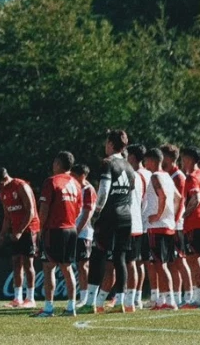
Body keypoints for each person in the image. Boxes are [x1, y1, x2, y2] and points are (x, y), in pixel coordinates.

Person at [85, 130, 137, 313]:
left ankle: (90, 302)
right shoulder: (130, 167)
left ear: (110, 144)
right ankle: (120, 303)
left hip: (110, 216)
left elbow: (104, 190)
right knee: (120, 258)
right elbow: (130, 193)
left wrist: (96, 213)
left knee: (98, 256)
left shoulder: (108, 163)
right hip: (126, 216)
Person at [34, 151, 82, 317]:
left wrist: (40, 228)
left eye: (54, 162)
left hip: (54, 229)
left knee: (48, 268)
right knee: (67, 267)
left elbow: (44, 208)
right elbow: (79, 209)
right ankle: (71, 307)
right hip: (71, 228)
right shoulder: (76, 184)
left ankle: (48, 308)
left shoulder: (51, 181)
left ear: (59, 164)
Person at [0, 167, 39, 310]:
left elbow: (30, 211)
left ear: (5, 178)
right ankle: (17, 298)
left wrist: (20, 231)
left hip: (29, 229)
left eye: (0, 183)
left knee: (28, 263)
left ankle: (30, 298)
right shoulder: (2, 192)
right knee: (16, 262)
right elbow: (7, 216)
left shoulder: (21, 186)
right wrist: (2, 234)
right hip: (15, 230)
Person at [142, 148, 181, 310]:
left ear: (151, 160)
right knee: (160, 264)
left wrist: (158, 215)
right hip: (168, 226)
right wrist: (172, 217)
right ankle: (162, 300)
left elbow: (163, 195)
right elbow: (179, 198)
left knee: (160, 265)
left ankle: (170, 299)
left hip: (157, 227)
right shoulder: (167, 176)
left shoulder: (156, 176)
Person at [180, 146, 200, 309]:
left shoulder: (192, 177)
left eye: (183, 158)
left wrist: (185, 214)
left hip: (195, 223)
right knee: (197, 259)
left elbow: (196, 198)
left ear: (190, 159)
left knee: (194, 259)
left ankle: (199, 299)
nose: (182, 161)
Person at [161, 144, 191, 307]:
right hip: (170, 223)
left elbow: (181, 202)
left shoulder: (178, 177)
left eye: (163, 156)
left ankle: (189, 296)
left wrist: (175, 221)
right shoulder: (167, 175)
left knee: (180, 261)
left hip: (177, 225)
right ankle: (177, 296)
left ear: (171, 159)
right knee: (172, 262)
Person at [126, 144, 151, 311]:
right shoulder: (149, 173)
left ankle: (132, 297)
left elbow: (138, 201)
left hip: (139, 223)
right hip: (146, 224)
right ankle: (136, 297)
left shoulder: (136, 175)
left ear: (133, 157)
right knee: (140, 263)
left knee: (132, 262)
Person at [71, 164, 96, 308]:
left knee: (83, 265)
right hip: (72, 231)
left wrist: (77, 229)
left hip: (84, 233)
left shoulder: (88, 190)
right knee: (74, 265)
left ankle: (85, 298)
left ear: (82, 176)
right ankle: (77, 296)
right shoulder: (74, 188)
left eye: (74, 176)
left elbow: (88, 213)